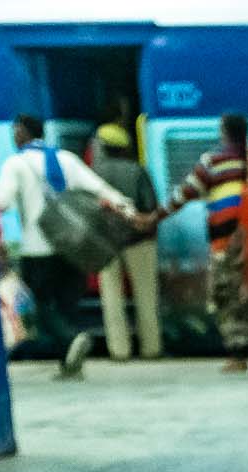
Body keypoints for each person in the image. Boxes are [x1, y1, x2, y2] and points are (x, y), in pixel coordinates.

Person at [0, 114, 135, 380]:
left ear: (23, 132)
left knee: (43, 308)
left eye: (15, 131)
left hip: (37, 249)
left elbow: (1, 202)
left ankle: (71, 340)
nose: (13, 136)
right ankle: (69, 364)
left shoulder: (16, 163)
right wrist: (127, 207)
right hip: (73, 248)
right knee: (67, 306)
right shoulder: (66, 159)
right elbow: (98, 187)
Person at [155, 113, 248, 378]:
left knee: (227, 297)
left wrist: (154, 217)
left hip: (226, 243)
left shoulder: (212, 163)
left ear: (224, 133)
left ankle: (238, 354)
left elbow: (183, 194)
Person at [89, 125, 163, 363]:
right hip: (138, 241)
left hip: (105, 243)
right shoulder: (137, 171)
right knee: (146, 295)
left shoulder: (93, 173)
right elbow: (150, 205)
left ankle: (119, 351)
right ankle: (151, 348)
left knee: (111, 298)